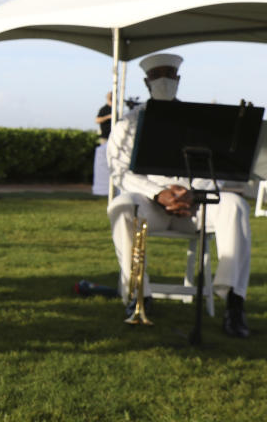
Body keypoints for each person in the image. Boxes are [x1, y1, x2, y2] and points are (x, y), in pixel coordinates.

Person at [106, 53, 252, 338]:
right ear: (147, 82)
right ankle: (139, 295)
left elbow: (216, 166)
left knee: (235, 205)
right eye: (158, 75)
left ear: (179, 80)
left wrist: (191, 195)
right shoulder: (129, 123)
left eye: (170, 75)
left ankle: (234, 301)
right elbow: (119, 171)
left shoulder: (199, 121)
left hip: (194, 208)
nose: (164, 81)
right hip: (151, 207)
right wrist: (159, 193)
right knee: (122, 206)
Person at [92, 92, 113, 196]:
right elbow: (97, 120)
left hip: (113, 138)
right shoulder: (104, 109)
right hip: (105, 138)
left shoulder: (116, 109)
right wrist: (108, 117)